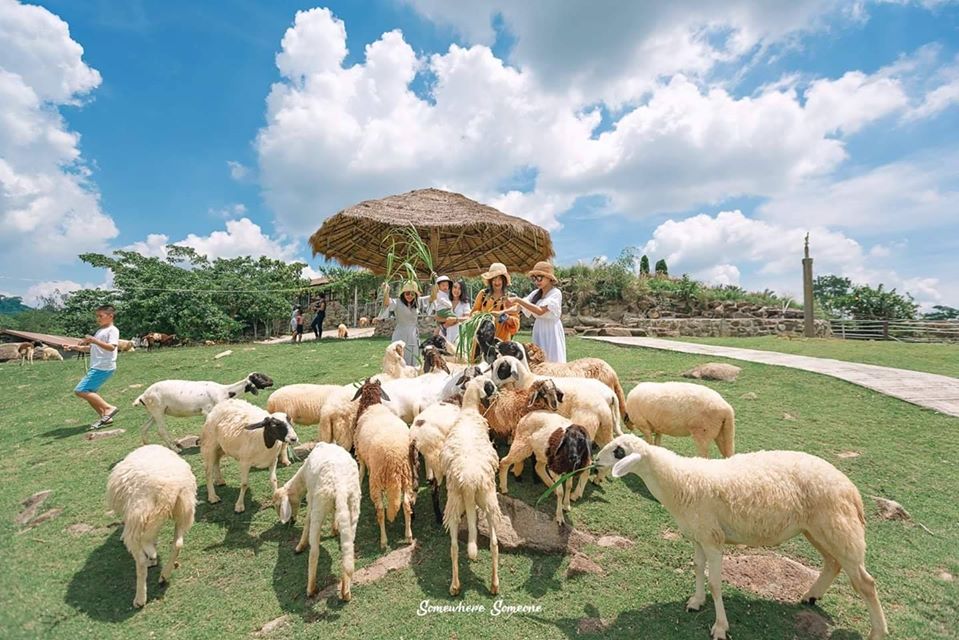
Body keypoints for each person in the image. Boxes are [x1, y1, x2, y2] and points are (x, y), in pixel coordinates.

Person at [65, 304, 121, 429]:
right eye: (97, 316)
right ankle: (105, 417)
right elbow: (93, 348)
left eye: (100, 316)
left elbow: (111, 347)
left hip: (103, 366)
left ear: (110, 316)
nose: (98, 319)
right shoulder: (100, 331)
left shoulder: (113, 330)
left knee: (80, 390)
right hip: (97, 366)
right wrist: (74, 347)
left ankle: (108, 408)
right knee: (89, 392)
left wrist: (94, 340)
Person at [510, 261, 566, 363]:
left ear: (549, 278)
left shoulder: (555, 293)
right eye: (534, 278)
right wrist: (499, 312)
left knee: (553, 359)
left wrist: (518, 300)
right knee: (538, 359)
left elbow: (540, 311)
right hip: (539, 328)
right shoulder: (535, 293)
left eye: (540, 277)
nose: (537, 281)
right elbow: (518, 308)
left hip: (551, 330)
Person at [382, 280, 433, 367]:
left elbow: (432, 298)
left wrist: (434, 285)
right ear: (403, 294)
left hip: (413, 334)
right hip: (400, 333)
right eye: (407, 293)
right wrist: (386, 291)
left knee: (413, 356)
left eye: (412, 294)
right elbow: (386, 302)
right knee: (399, 357)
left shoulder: (417, 302)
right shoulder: (397, 302)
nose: (410, 296)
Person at [471, 262, 520, 342]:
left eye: (500, 279)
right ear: (490, 280)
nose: (497, 282)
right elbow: (473, 312)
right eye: (494, 279)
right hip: (482, 341)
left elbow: (516, 325)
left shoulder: (511, 298)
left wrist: (504, 317)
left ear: (504, 280)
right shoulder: (483, 294)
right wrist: (482, 317)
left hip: (502, 342)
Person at [440, 279, 471, 346]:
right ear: (451, 288)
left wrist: (455, 319)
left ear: (462, 291)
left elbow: (468, 318)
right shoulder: (445, 301)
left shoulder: (465, 304)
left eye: (459, 289)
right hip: (444, 336)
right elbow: (437, 317)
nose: (456, 290)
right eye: (455, 287)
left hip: (458, 337)